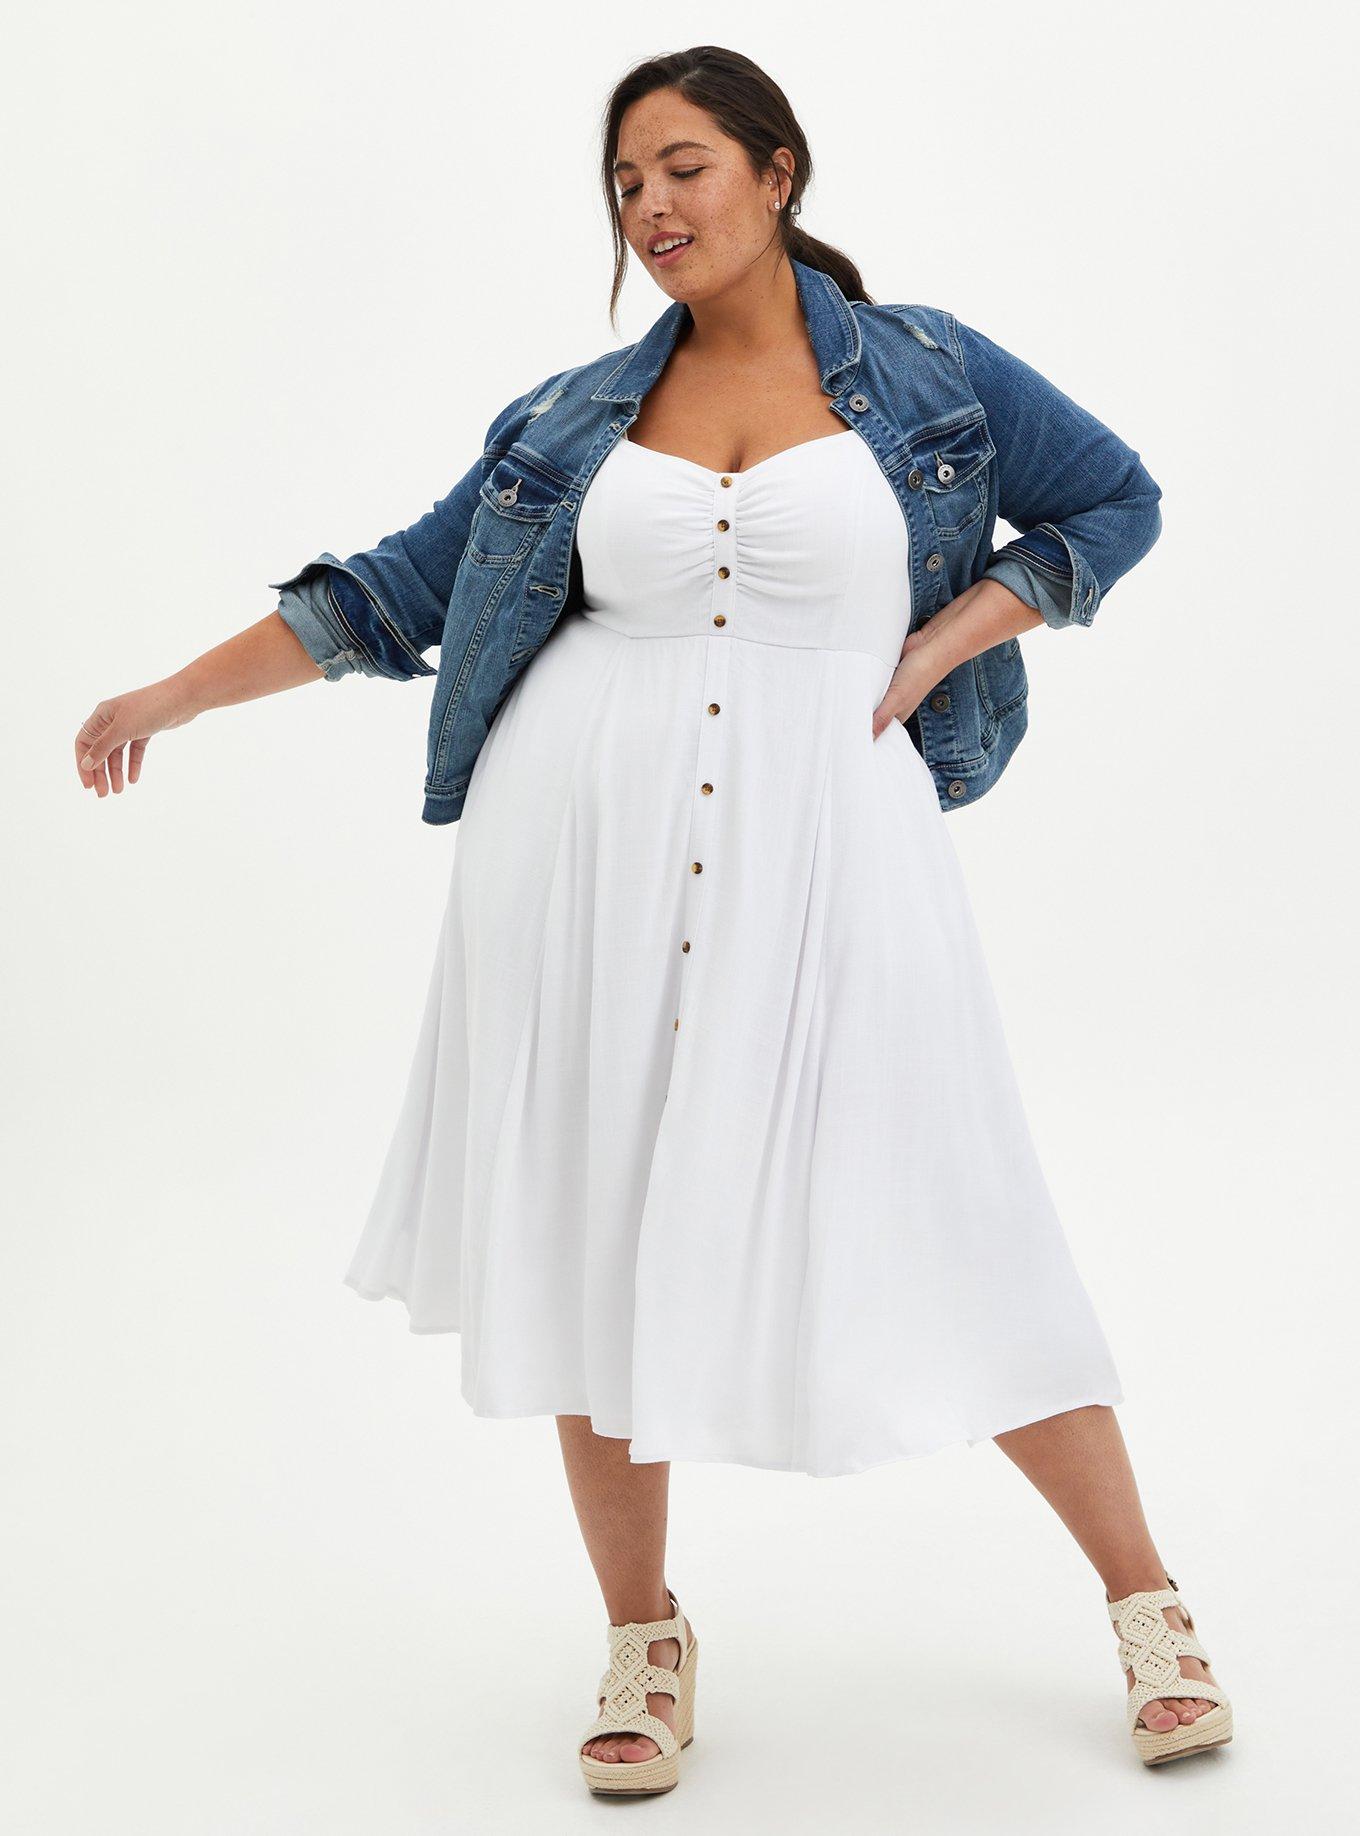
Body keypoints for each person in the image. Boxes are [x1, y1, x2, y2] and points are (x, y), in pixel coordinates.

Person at [73, 44, 1232, 1797]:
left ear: (778, 172)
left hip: (835, 853)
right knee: (597, 1231)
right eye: (626, 182)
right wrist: (167, 694)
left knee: (958, 1205)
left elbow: (1113, 499)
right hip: (581, 866)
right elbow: (391, 596)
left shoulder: (929, 367)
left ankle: (1148, 1604)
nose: (652, 206)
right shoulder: (572, 416)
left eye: (684, 166)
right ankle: (643, 1635)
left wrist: (954, 634)